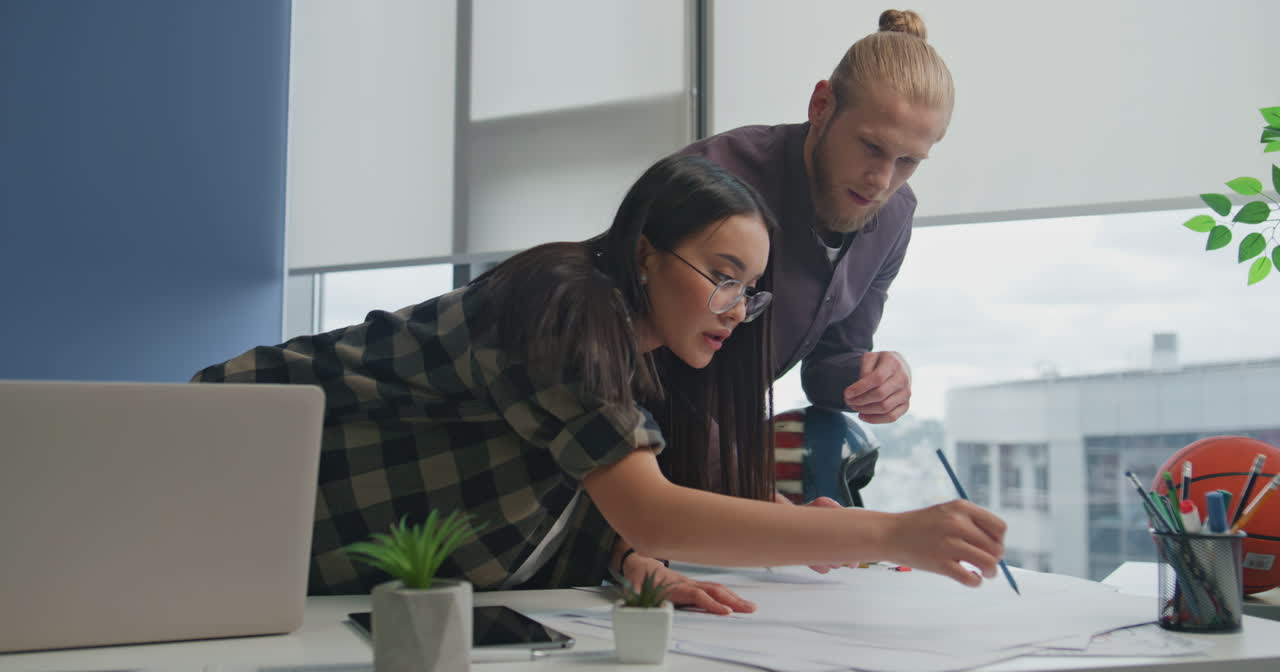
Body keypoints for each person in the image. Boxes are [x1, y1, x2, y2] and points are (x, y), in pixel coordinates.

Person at [194, 155, 1006, 615]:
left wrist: (627, 557)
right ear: (646, 252)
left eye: (749, 291)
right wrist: (891, 534)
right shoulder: (561, 305)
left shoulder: (631, 354)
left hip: (292, 568)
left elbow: (559, 480)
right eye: (722, 276)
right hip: (213, 468)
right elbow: (650, 506)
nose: (737, 311)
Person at [674, 8, 953, 506]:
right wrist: (758, 495)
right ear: (821, 105)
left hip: (721, 471)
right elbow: (637, 367)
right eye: (871, 146)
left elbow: (827, 368)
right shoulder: (711, 178)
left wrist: (872, 374)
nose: (882, 181)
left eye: (908, 161)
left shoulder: (892, 215)